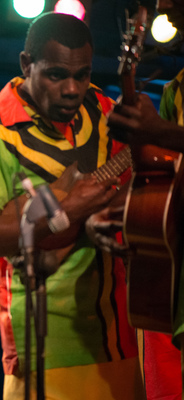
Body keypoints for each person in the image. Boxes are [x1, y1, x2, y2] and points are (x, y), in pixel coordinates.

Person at [0, 12, 144, 399]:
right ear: (26, 65)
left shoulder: (101, 110)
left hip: (122, 335)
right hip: (43, 349)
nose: (71, 88)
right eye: (55, 75)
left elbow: (130, 186)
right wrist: (69, 215)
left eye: (82, 75)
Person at [88, 2, 184, 398]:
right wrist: (113, 213)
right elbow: (158, 176)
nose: (165, 7)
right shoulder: (177, 88)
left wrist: (160, 130)